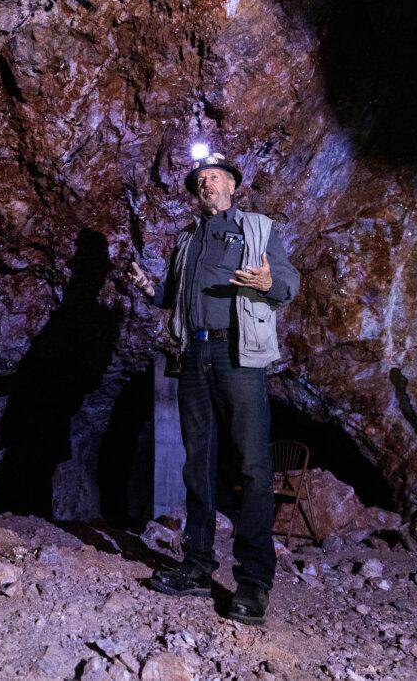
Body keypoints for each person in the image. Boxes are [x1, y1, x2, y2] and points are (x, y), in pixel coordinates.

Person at [128, 148, 299, 626]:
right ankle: (198, 566)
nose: (206, 183)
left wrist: (267, 281)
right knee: (197, 463)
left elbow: (287, 282)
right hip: (194, 353)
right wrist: (150, 290)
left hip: (238, 355)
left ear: (232, 185)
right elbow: (174, 295)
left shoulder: (258, 229)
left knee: (252, 464)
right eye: (200, 179)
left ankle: (253, 580)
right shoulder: (187, 240)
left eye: (215, 176)